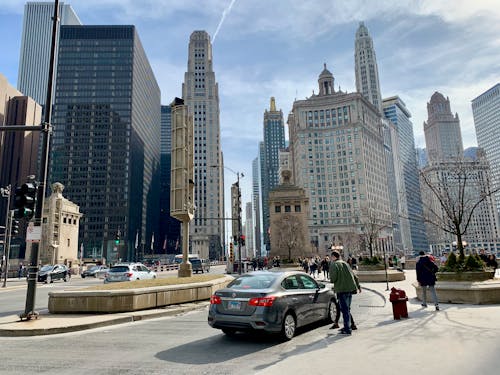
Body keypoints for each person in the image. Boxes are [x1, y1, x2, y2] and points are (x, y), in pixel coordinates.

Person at [329, 250, 362, 335]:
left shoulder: (334, 264)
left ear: (334, 257)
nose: (331, 258)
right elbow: (354, 276)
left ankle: (347, 329)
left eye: (331, 256)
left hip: (341, 289)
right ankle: (351, 325)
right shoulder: (346, 264)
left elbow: (333, 278)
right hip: (350, 289)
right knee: (347, 309)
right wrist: (358, 286)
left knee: (345, 310)